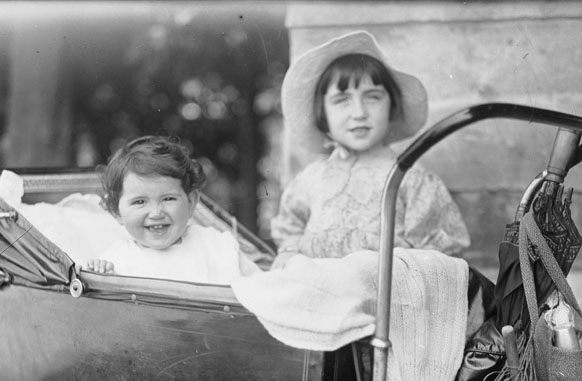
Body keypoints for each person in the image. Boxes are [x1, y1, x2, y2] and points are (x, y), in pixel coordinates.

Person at [271, 31, 470, 269]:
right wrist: (290, 253)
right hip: (318, 294)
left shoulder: (411, 180)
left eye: (372, 97)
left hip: (385, 299)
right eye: (342, 100)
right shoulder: (311, 180)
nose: (358, 113)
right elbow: (290, 228)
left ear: (392, 106)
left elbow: (441, 253)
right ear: (322, 112)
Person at [84, 135, 259, 283]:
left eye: (168, 199)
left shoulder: (217, 247)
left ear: (191, 202)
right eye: (139, 202)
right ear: (116, 211)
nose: (156, 213)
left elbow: (263, 291)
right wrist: (96, 275)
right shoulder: (115, 262)